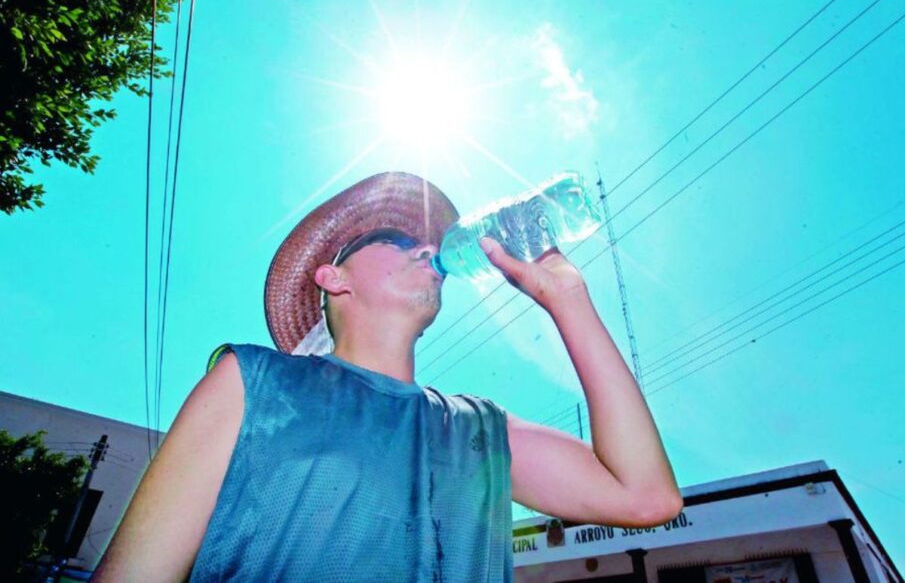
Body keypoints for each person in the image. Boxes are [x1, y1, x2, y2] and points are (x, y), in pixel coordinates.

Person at [93, 171, 682, 582]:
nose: (427, 247)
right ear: (333, 278)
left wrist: (568, 298)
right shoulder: (252, 384)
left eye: (425, 238)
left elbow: (646, 496)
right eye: (395, 238)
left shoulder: (479, 431)